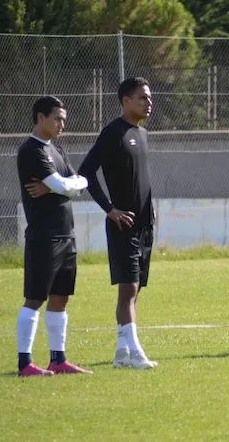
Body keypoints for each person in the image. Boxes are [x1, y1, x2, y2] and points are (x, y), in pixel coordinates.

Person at [78, 77, 158, 368]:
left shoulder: (142, 133)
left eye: (149, 97)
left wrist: (150, 209)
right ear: (126, 101)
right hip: (123, 225)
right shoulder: (113, 132)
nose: (148, 102)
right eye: (142, 98)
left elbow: (140, 179)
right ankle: (135, 353)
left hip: (144, 225)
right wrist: (110, 210)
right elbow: (86, 172)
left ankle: (122, 353)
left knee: (136, 290)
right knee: (128, 289)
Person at [16, 96, 92, 376]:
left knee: (60, 298)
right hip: (44, 236)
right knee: (35, 298)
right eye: (57, 119)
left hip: (66, 235)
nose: (62, 124)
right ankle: (25, 363)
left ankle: (57, 360)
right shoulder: (31, 151)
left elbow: (81, 183)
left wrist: (55, 187)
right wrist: (61, 186)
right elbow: (64, 184)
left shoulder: (56, 148)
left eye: (64, 119)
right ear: (40, 118)